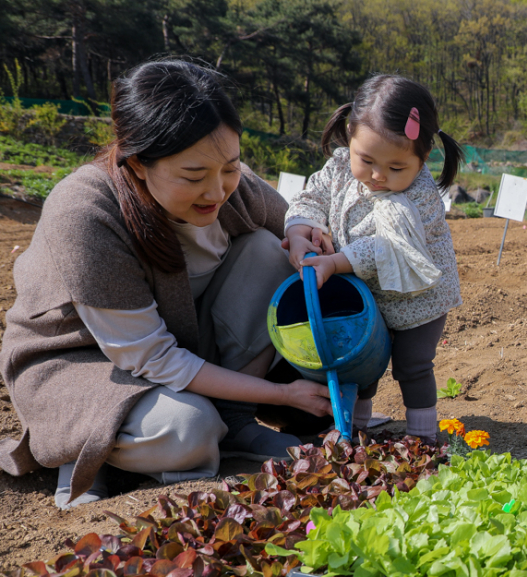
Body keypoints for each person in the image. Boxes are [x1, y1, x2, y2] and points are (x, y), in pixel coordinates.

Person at [0, 60, 331, 509]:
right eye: (194, 177)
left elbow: (291, 215)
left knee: (265, 249)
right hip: (83, 363)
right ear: (138, 163)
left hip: (183, 344)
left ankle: (235, 424)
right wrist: (280, 394)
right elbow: (151, 356)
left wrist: (297, 232)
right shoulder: (86, 213)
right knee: (187, 431)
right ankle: (88, 451)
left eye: (230, 168)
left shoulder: (230, 182)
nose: (217, 191)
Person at [282, 75, 463, 444]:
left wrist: (335, 263)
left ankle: (422, 437)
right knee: (360, 359)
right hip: (368, 293)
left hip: (420, 300)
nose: (379, 175)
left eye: (397, 168)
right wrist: (300, 230)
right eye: (366, 160)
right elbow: (311, 197)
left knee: (412, 365)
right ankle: (354, 428)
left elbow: (387, 247)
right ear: (350, 135)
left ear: (422, 157)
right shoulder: (337, 168)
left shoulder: (422, 196)